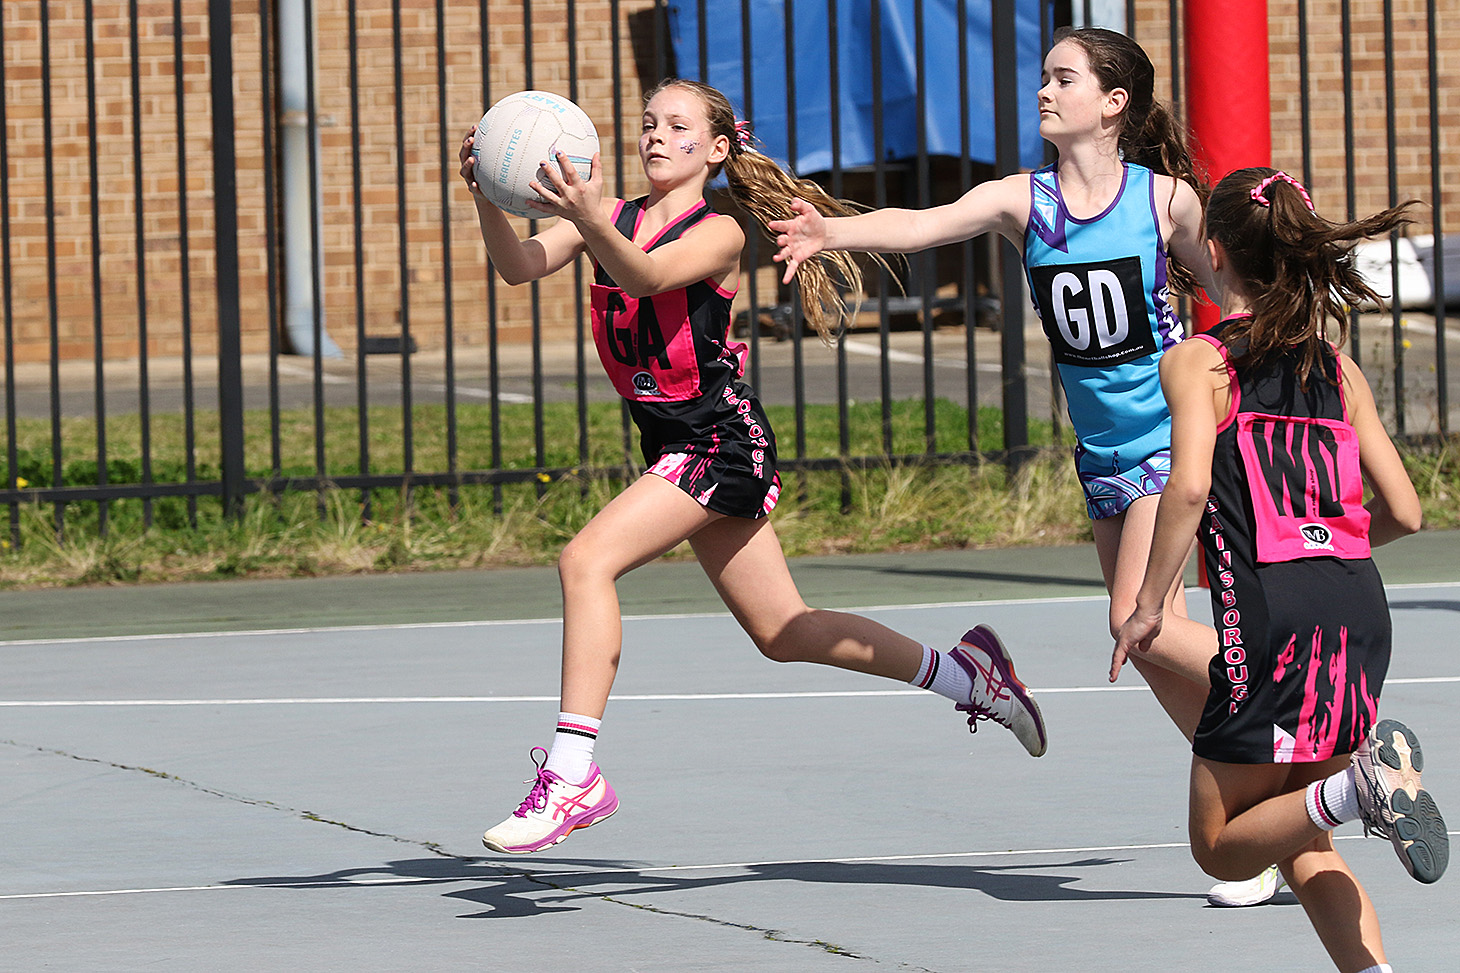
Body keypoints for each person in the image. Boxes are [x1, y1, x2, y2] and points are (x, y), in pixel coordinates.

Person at [457, 79, 1047, 856]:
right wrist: (487, 194)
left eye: (678, 125)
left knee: (585, 560)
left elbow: (644, 275)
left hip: (719, 443)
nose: (656, 136)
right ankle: (970, 676)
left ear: (719, 148)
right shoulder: (614, 218)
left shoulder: (720, 232)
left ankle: (572, 775)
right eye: (647, 124)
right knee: (785, 630)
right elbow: (519, 265)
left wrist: (588, 216)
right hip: (676, 446)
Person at [770, 26, 1278, 905]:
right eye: (1044, 76)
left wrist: (1245, 368)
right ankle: (1259, 805)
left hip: (1168, 440)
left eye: (1063, 78)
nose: (1044, 90)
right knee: (1152, 650)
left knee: (1138, 620)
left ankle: (1289, 695)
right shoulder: (1024, 201)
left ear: (1114, 103)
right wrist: (833, 230)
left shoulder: (1166, 204)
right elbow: (923, 226)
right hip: (1102, 456)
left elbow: (1233, 289)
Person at [1113, 166, 1447, 971]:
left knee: (1223, 847)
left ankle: (1358, 787)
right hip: (1359, 611)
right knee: (1306, 836)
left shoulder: (1199, 362)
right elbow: (1405, 511)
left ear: (1214, 253)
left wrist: (1150, 605)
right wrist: (1328, 552)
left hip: (1270, 619)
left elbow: (1188, 486)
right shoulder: (1337, 367)